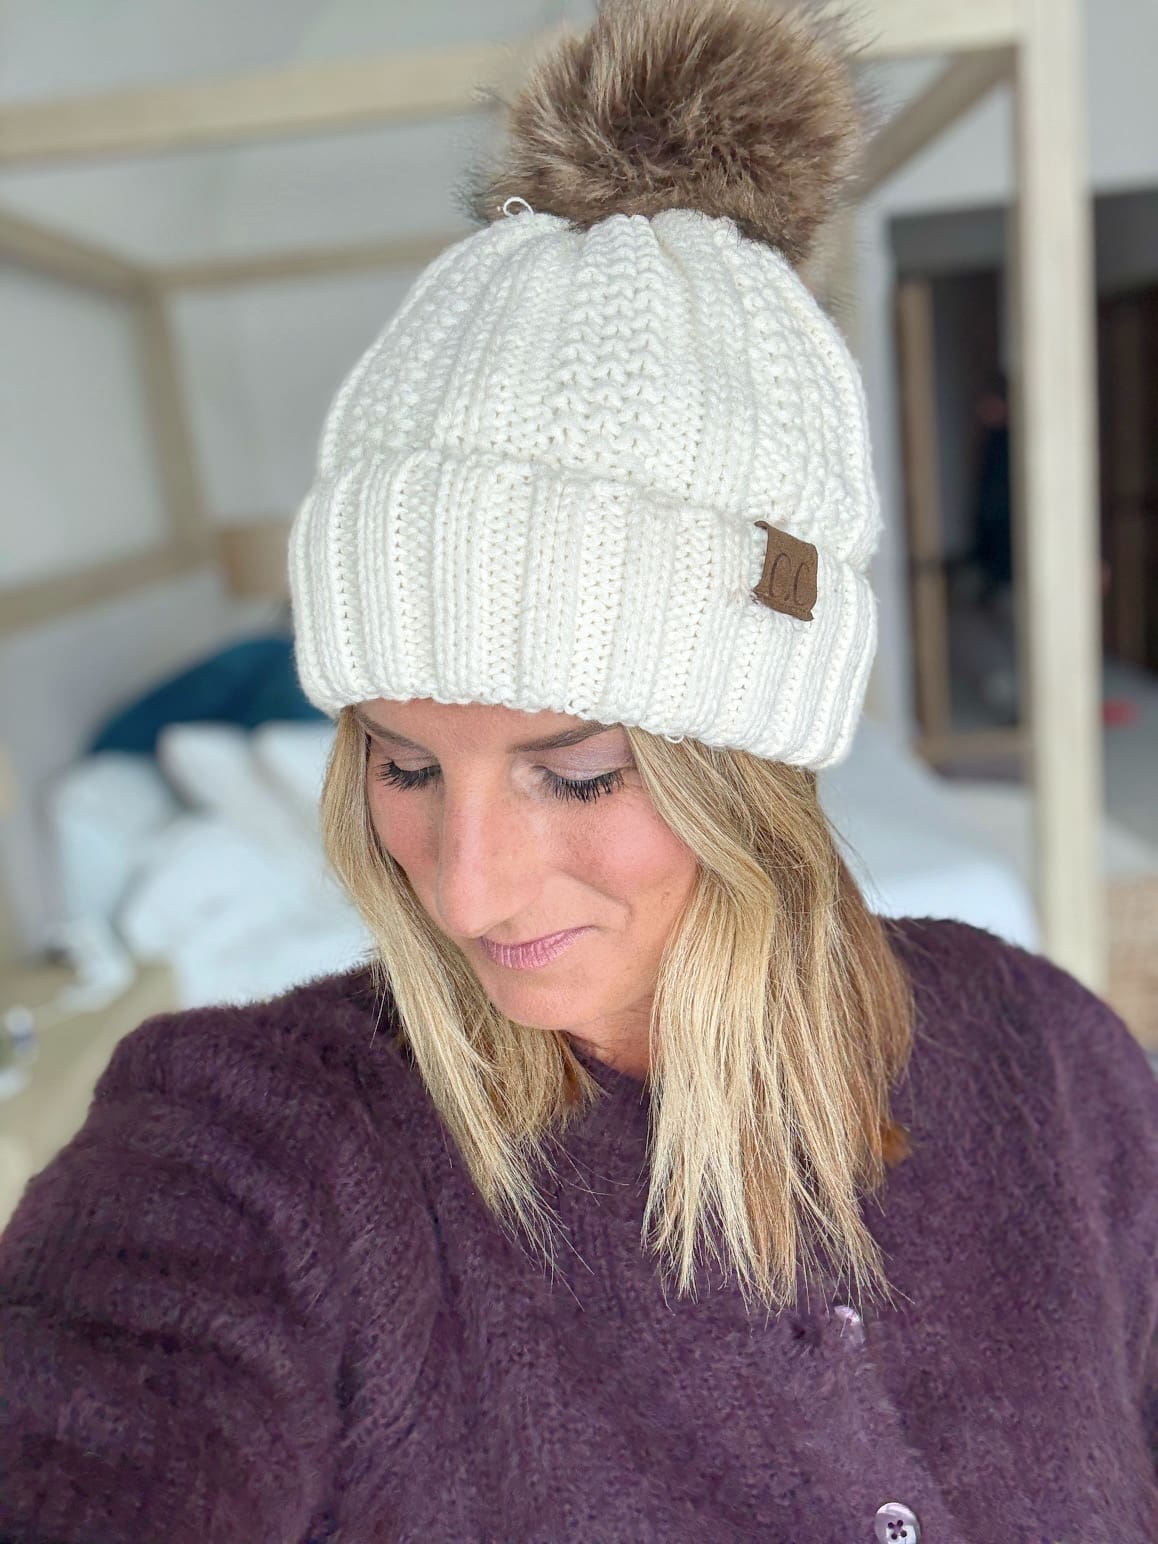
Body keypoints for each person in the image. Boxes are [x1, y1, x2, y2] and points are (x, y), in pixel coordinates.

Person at [1, 2, 1155, 1541]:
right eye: (402, 761)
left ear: (756, 764)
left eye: (581, 773)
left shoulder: (1048, 1059)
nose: (466, 890)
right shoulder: (256, 1145)